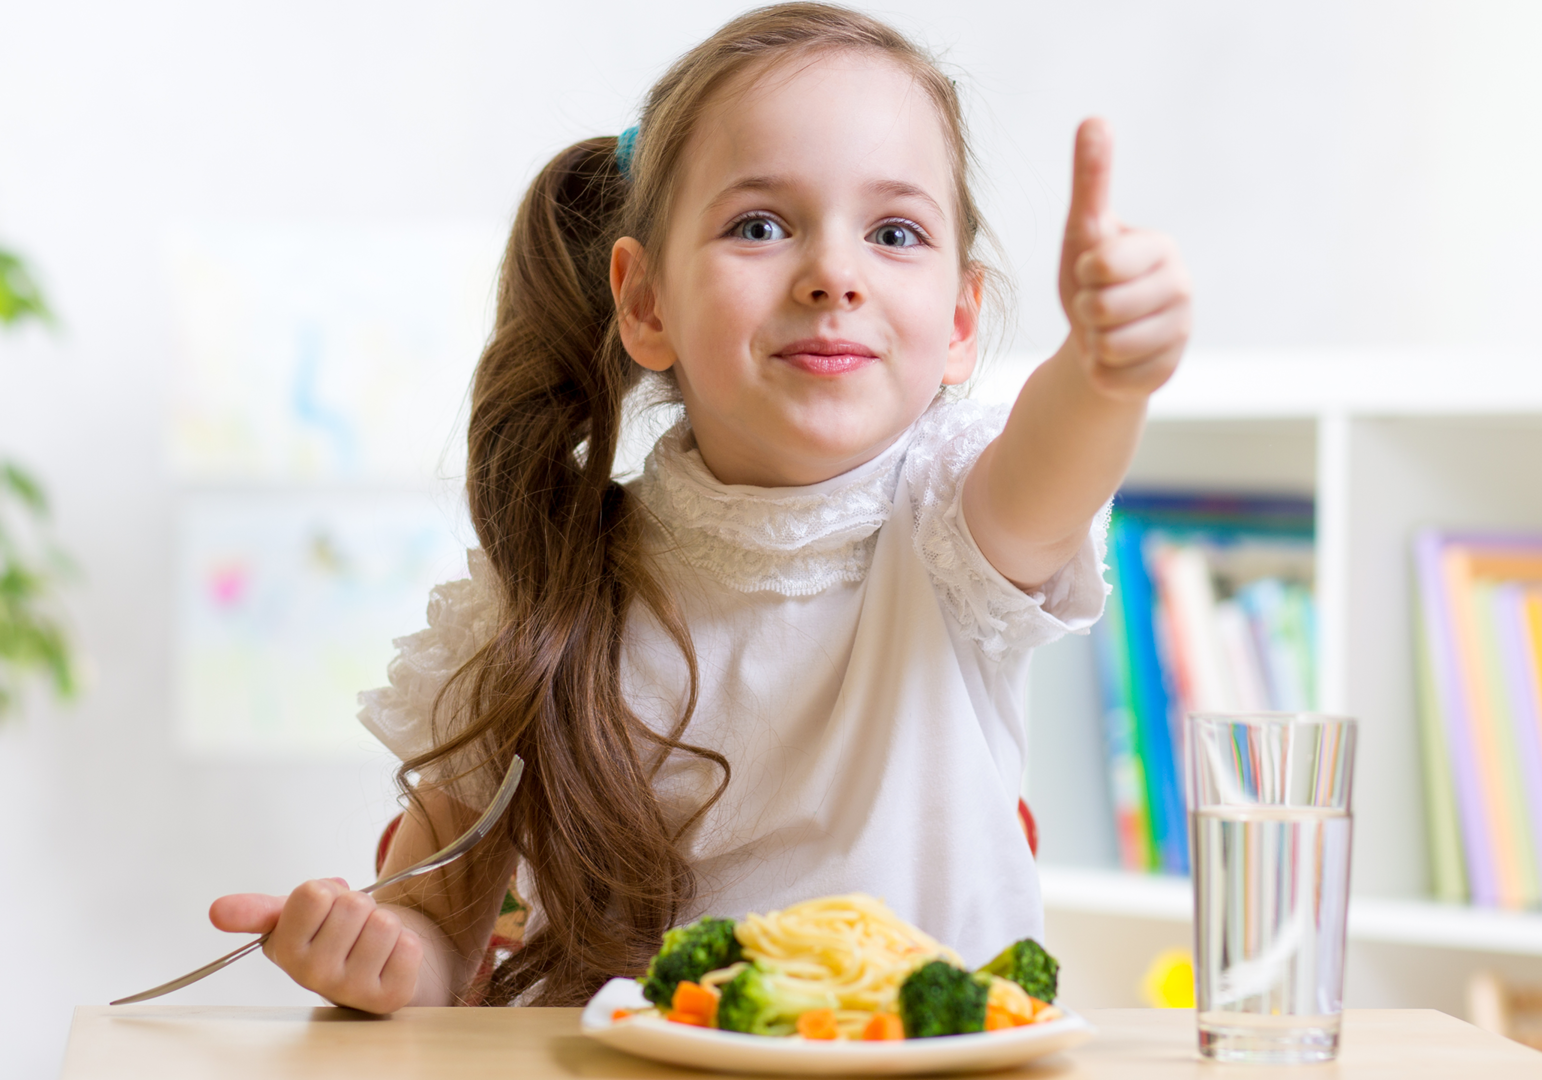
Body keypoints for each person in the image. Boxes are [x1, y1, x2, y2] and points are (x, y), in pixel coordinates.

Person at [208, 1, 1191, 1013]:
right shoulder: (549, 582)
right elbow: (435, 935)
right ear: (645, 302)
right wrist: (377, 955)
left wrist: (1108, 372)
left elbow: (1052, 470)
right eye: (760, 226)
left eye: (894, 232)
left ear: (958, 321)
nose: (833, 276)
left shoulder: (956, 525)